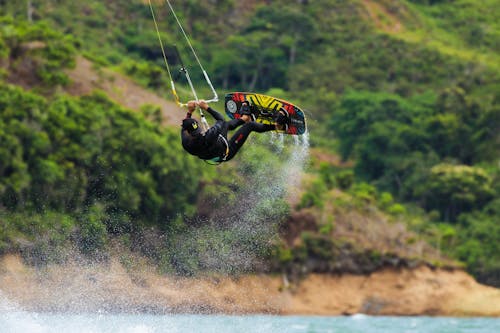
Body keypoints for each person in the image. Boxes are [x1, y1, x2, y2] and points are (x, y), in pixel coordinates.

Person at [181, 100, 289, 163]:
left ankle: (244, 118)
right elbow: (221, 120)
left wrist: (189, 112)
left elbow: (185, 124)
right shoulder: (207, 136)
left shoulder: (185, 140)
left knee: (226, 126)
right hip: (226, 152)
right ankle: (277, 126)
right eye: (197, 132)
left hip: (212, 149)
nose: (199, 132)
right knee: (249, 126)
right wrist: (207, 107)